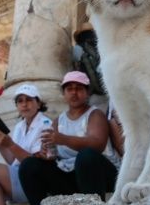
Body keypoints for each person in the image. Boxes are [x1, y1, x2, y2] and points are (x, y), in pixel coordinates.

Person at [19, 71, 120, 205]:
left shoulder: (95, 115)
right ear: (64, 93)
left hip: (99, 175)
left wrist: (63, 139)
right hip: (69, 176)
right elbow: (54, 154)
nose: (74, 93)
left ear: (87, 92)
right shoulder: (58, 121)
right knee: (29, 165)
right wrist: (46, 154)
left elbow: (97, 144)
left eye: (78, 88)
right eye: (69, 89)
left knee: (86, 156)